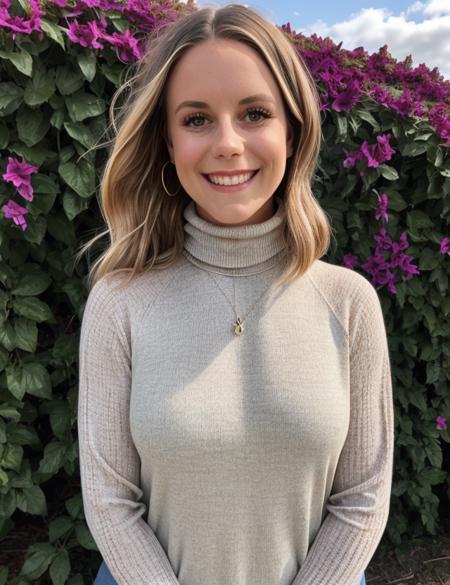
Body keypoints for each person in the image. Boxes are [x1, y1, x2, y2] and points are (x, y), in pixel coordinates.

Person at [76, 3, 394, 585]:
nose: (227, 143)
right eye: (196, 119)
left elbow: (363, 498)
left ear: (292, 132)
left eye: (254, 113)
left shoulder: (350, 303)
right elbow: (109, 500)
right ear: (167, 143)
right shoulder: (120, 303)